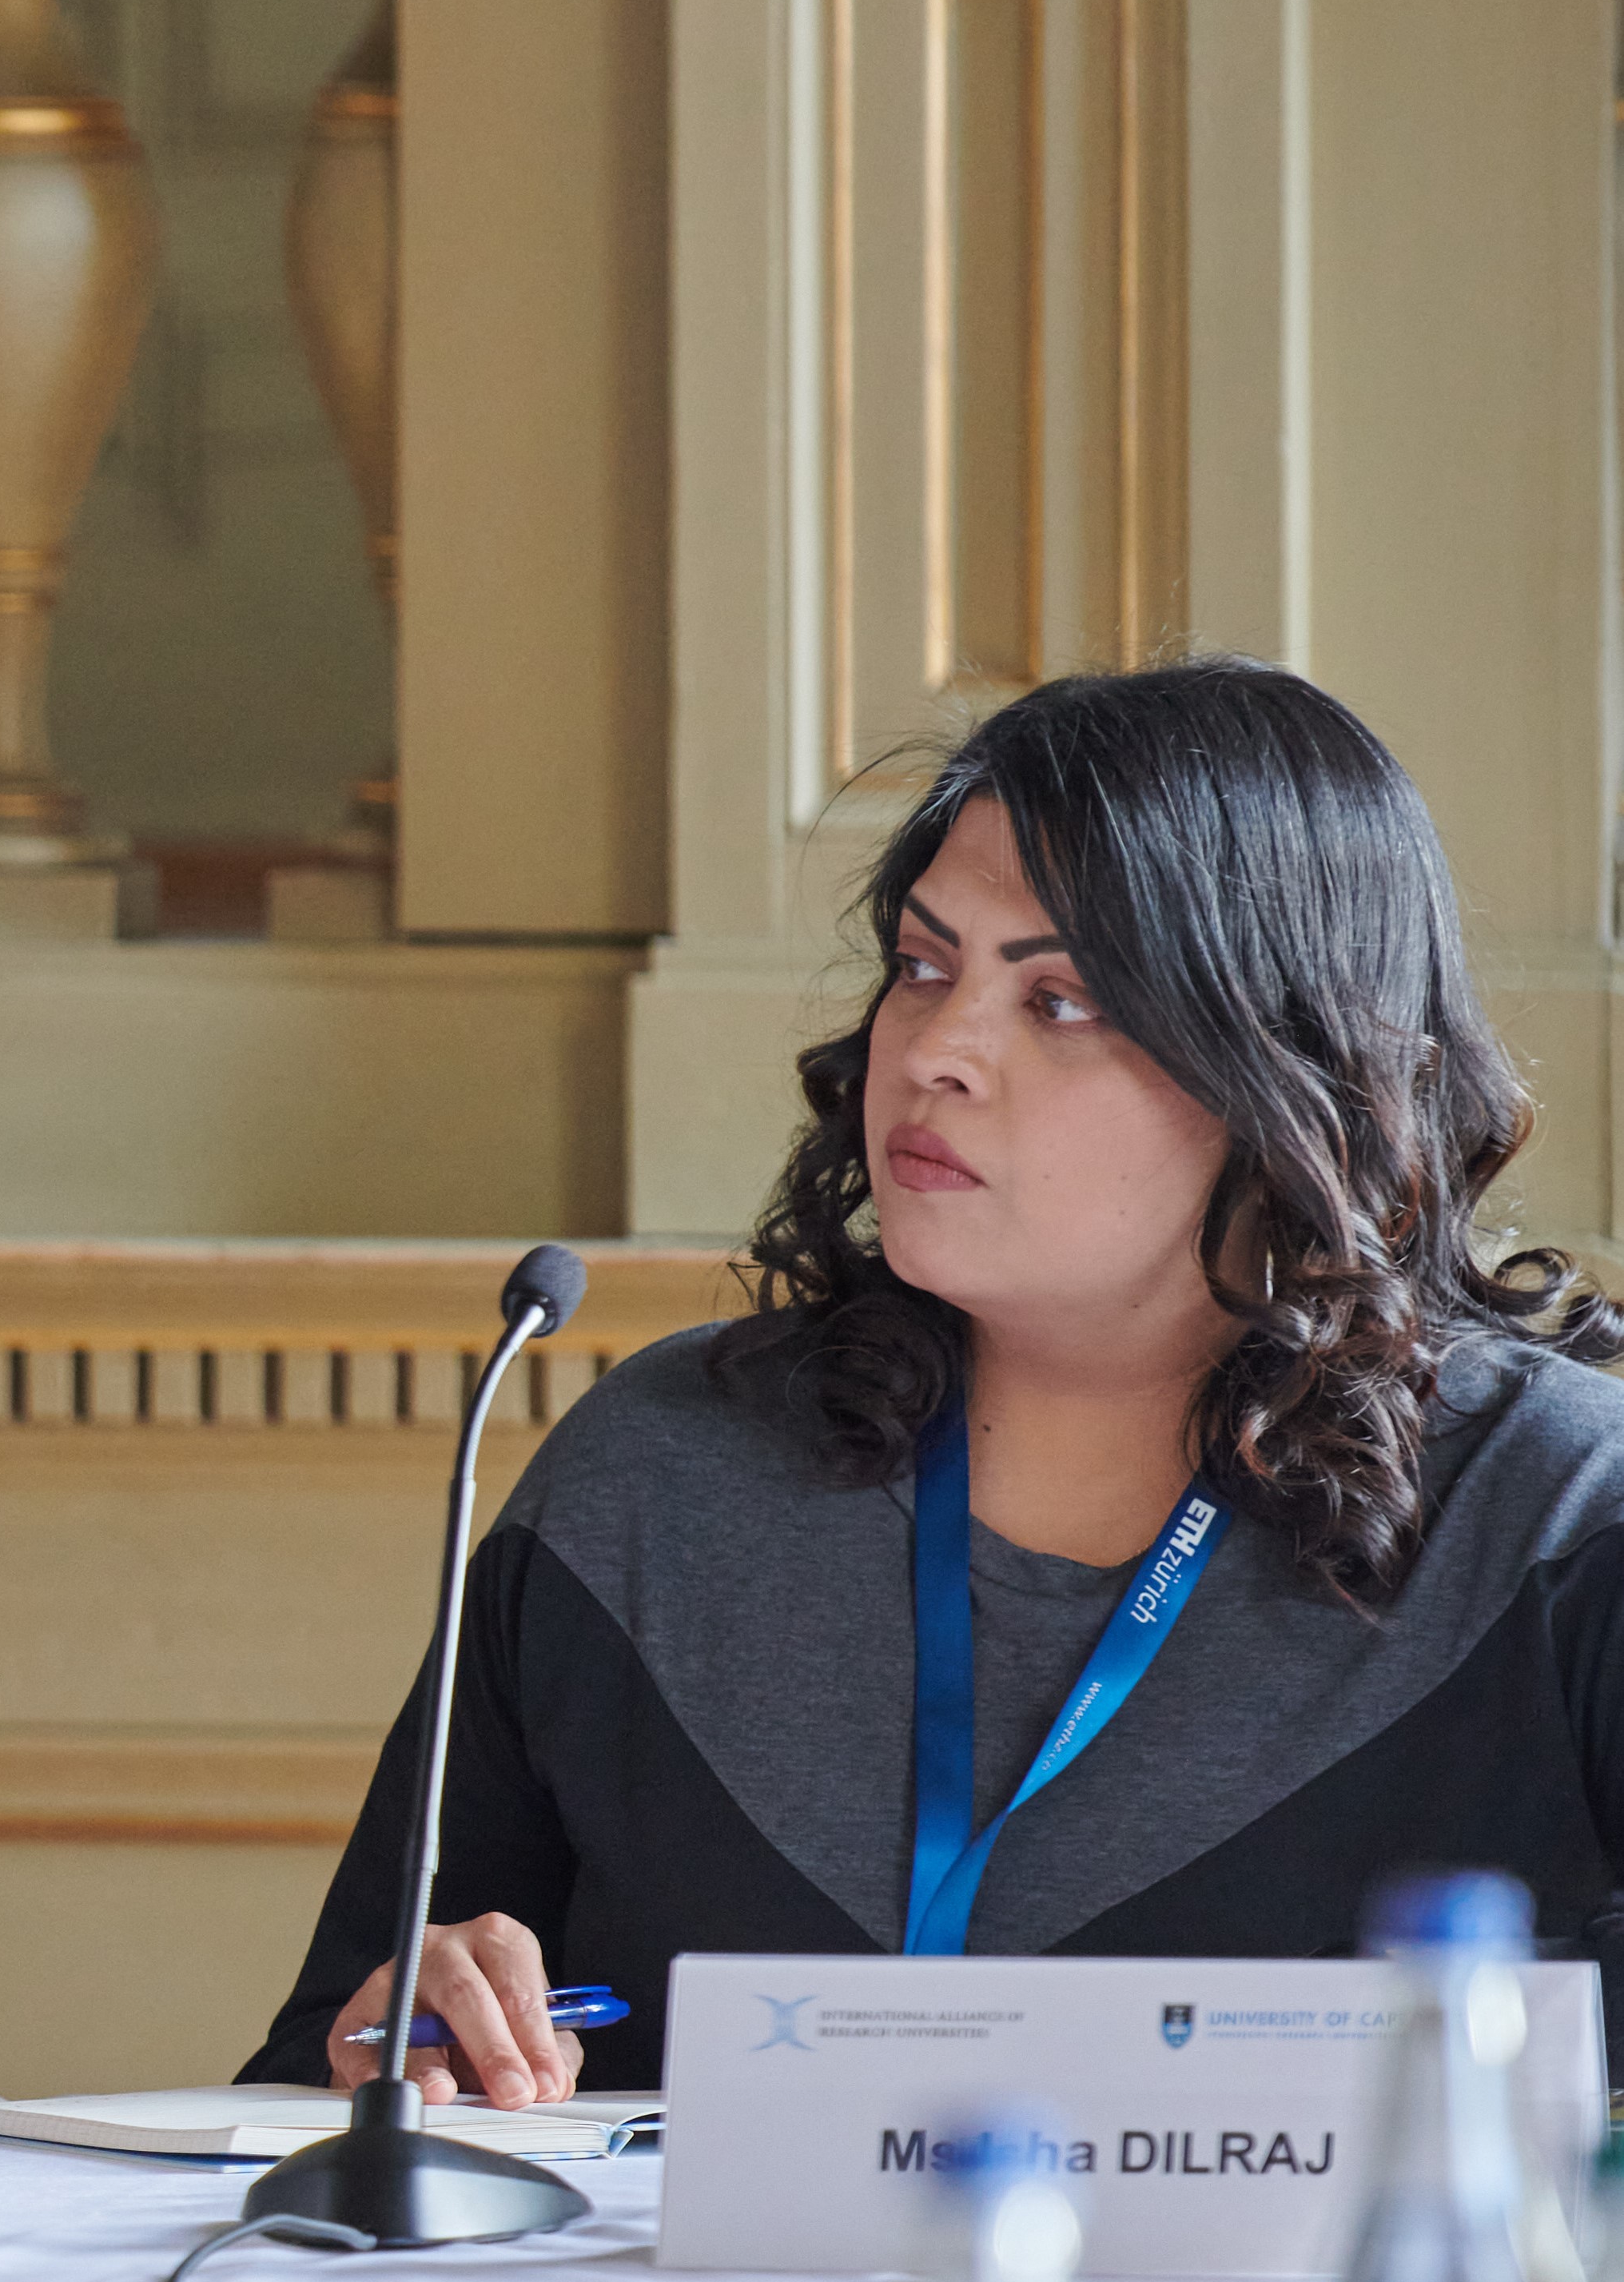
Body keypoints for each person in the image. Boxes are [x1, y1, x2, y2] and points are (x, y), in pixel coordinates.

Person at [250, 656, 1624, 2105]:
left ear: (1294, 1080)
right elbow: (310, 2087)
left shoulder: (1555, 1519)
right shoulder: (654, 1480)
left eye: (1062, 999)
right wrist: (397, 2038)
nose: (934, 1052)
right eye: (923, 968)